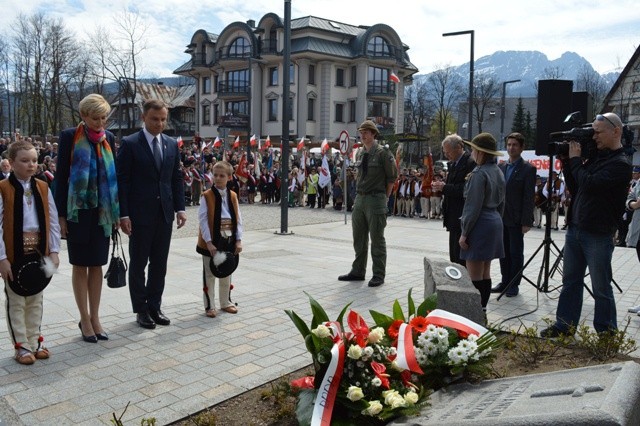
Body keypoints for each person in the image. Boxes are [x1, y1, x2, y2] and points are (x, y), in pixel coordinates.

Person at [541, 112, 632, 338]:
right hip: (576, 229)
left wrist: (574, 160)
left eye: (598, 132)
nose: (594, 137)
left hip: (598, 233)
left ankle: (607, 333)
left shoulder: (620, 163)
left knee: (600, 286)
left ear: (616, 131)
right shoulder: (595, 158)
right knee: (570, 281)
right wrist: (566, 161)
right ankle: (564, 326)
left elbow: (590, 184)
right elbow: (577, 186)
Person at [54, 94, 120, 343]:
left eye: (104, 117)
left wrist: (115, 213)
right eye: (95, 118)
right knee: (80, 265)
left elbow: (112, 179)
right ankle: (84, 318)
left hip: (102, 212)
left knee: (97, 264)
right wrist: (60, 215)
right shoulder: (70, 136)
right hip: (77, 211)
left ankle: (96, 317)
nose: (100, 122)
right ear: (83, 116)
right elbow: (61, 178)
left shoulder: (109, 138)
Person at [117, 99, 187, 329]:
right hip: (139, 215)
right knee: (138, 264)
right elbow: (123, 182)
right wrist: (124, 215)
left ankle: (155, 306)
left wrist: (180, 208)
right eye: (154, 119)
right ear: (143, 118)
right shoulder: (130, 143)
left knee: (159, 264)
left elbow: (175, 178)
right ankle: (141, 309)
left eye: (163, 119)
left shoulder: (170, 144)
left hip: (164, 214)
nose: (159, 123)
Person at [0, 141, 61, 364]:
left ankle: (35, 341)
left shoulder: (43, 187)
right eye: (24, 161)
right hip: (14, 252)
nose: (31, 165)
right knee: (16, 299)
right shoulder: (3, 188)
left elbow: (52, 220)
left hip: (38, 250)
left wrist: (54, 250)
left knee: (36, 296)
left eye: (34, 160)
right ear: (12, 162)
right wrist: (2, 258)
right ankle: (21, 345)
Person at [338, 120, 397, 287]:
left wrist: (385, 198)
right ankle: (358, 271)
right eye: (361, 132)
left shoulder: (383, 153)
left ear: (373, 134)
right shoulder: (361, 153)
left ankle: (378, 274)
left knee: (377, 239)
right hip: (361, 198)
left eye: (366, 132)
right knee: (359, 237)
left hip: (376, 198)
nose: (362, 135)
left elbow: (392, 178)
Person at [458, 133, 505, 311]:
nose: (471, 153)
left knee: (474, 273)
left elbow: (472, 206)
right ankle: (483, 308)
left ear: (481, 152)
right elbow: (502, 203)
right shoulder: (498, 171)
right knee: (485, 270)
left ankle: (476, 311)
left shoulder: (478, 174)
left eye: (473, 150)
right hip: (494, 221)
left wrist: (464, 233)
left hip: (480, 223)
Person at [491, 132, 536, 297]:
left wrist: (526, 221)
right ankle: (504, 281)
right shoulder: (501, 167)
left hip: (516, 219)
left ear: (522, 147)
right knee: (503, 252)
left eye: (515, 145)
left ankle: (514, 284)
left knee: (516, 252)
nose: (511, 148)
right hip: (501, 217)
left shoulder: (528, 169)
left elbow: (528, 197)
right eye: (509, 145)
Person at [196, 161, 243, 318]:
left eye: (222, 175)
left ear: (229, 177)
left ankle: (225, 302)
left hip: (228, 237)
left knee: (226, 270)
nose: (217, 178)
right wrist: (208, 242)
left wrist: (238, 239)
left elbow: (238, 218)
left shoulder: (233, 195)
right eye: (215, 175)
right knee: (209, 273)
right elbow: (203, 220)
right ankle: (210, 305)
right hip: (211, 238)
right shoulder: (206, 196)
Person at [432, 134, 476, 266]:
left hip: (462, 215)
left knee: (461, 258)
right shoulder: (454, 164)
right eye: (444, 152)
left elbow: (466, 189)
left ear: (458, 148)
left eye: (448, 151)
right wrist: (442, 187)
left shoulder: (470, 162)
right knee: (454, 257)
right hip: (452, 216)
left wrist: (445, 187)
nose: (446, 155)